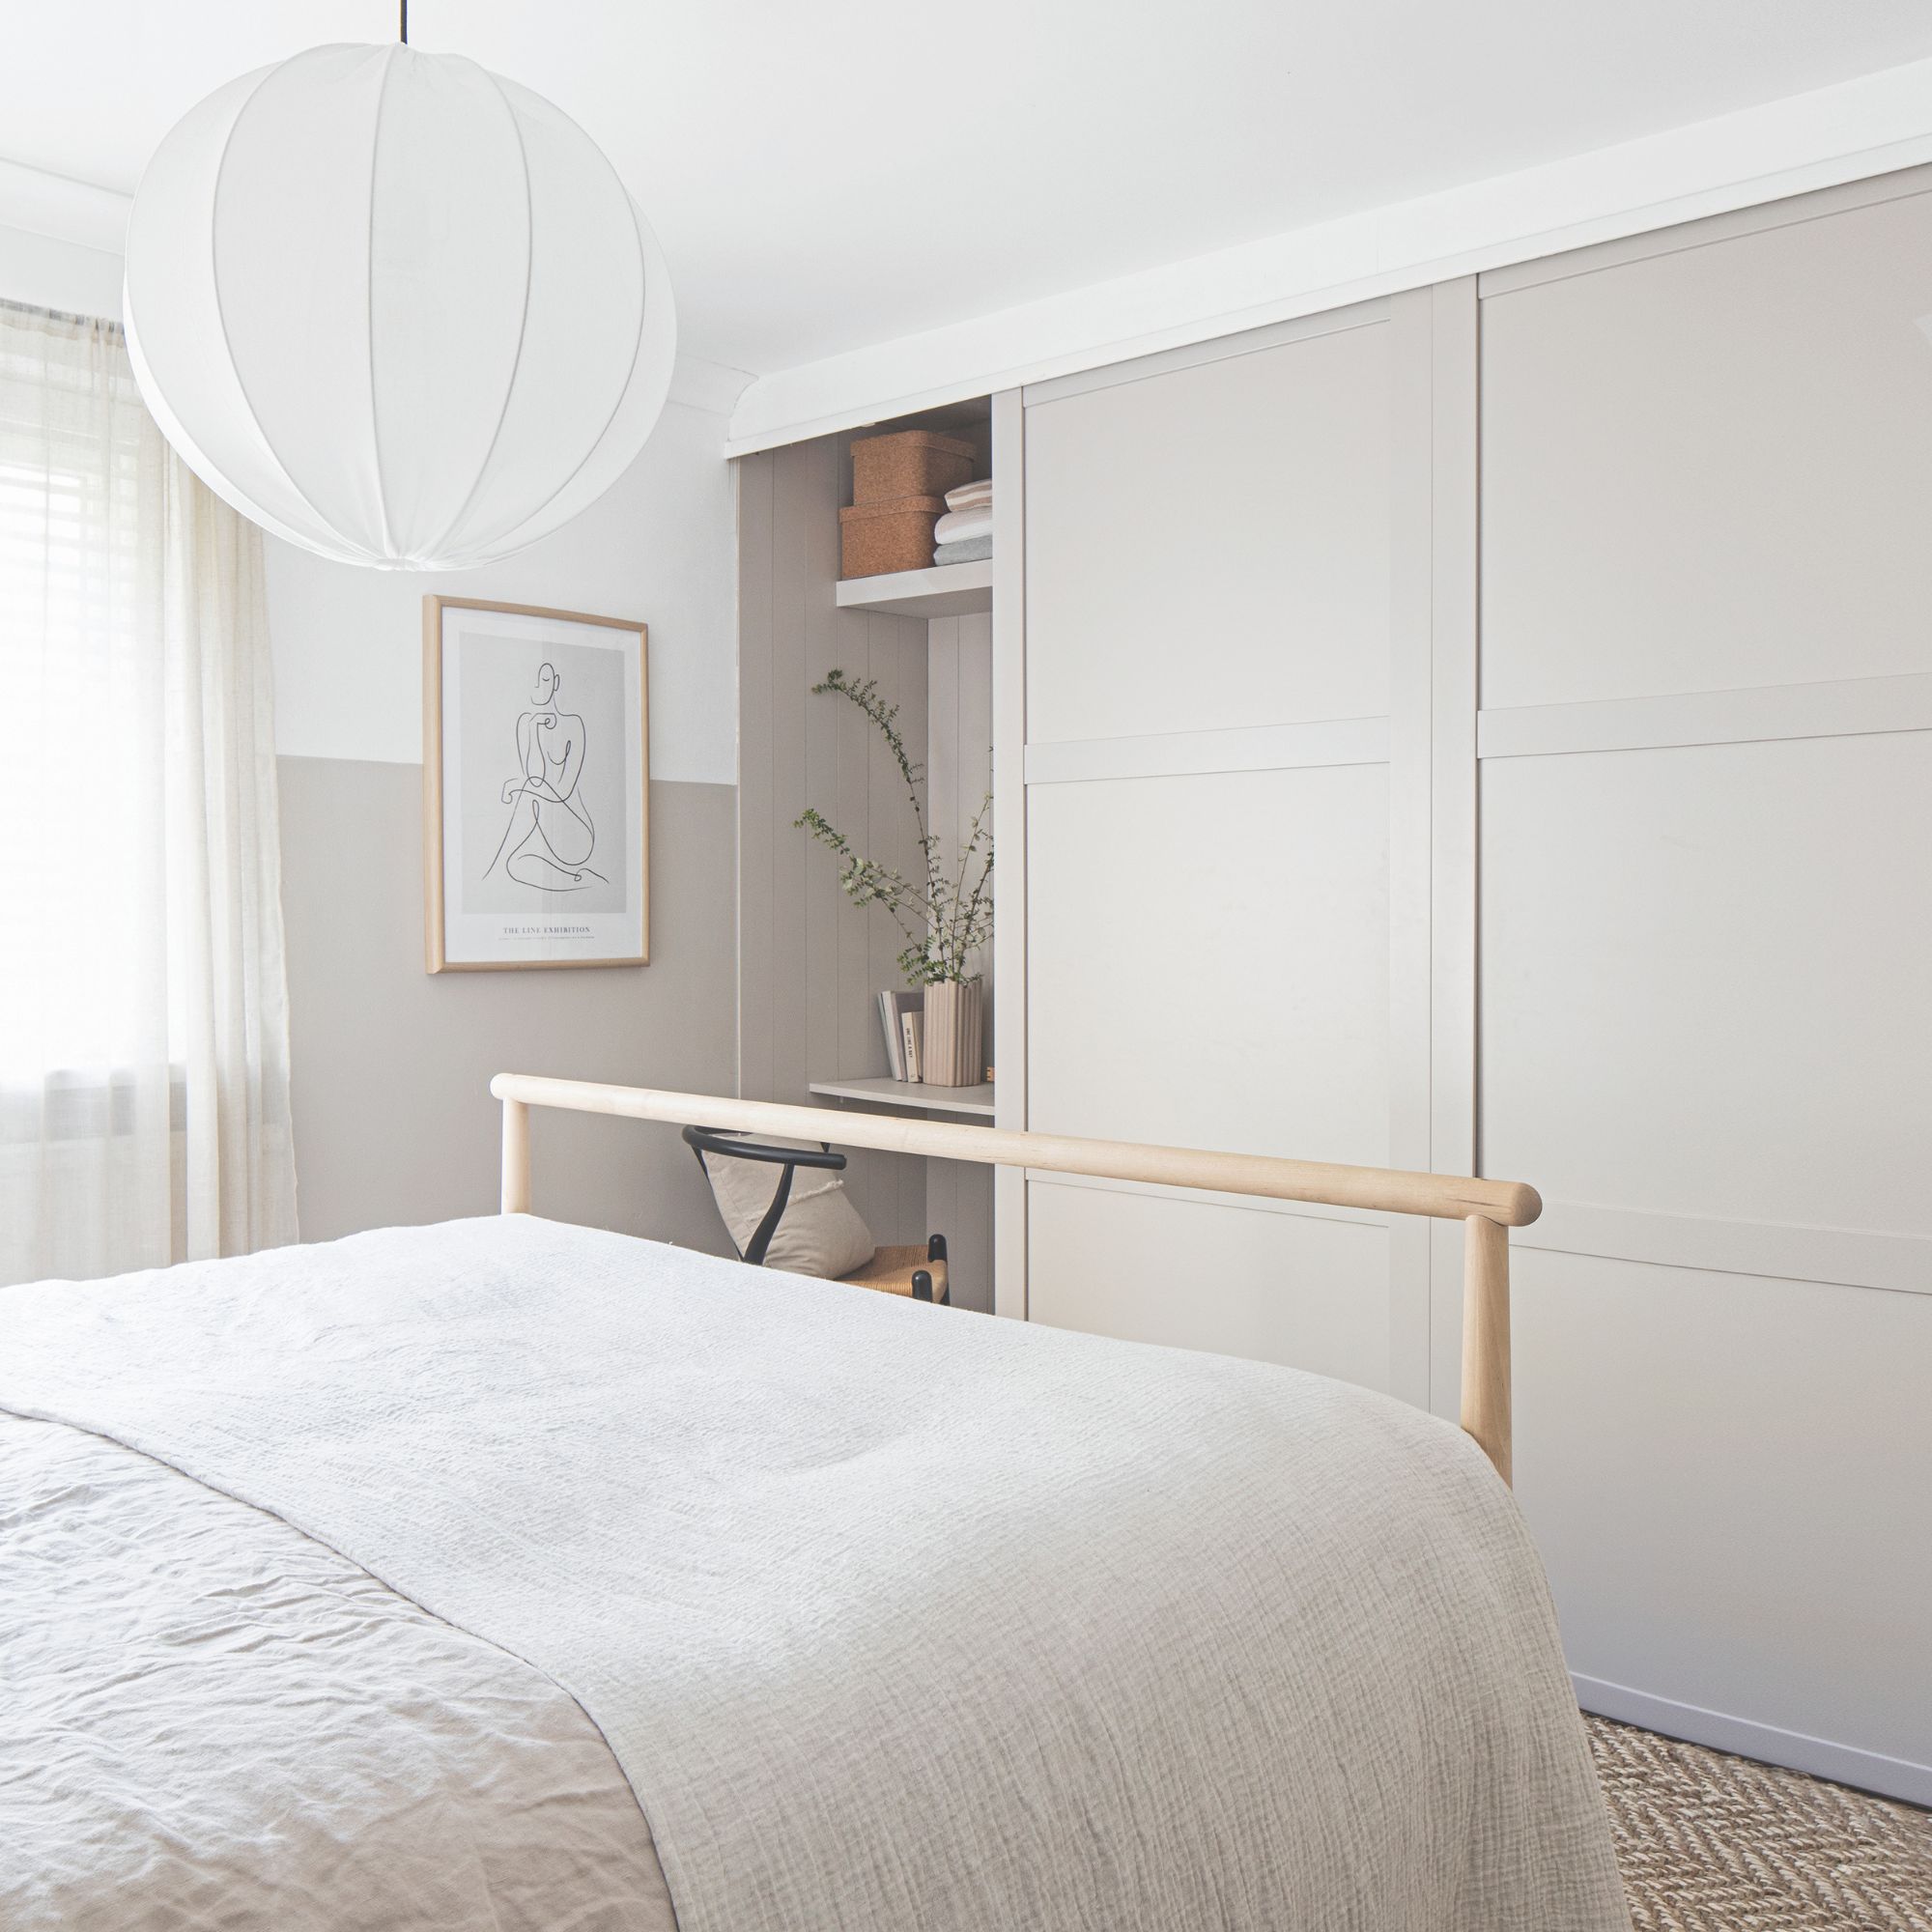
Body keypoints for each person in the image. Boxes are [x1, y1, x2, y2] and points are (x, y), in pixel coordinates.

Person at [484, 662, 604, 890]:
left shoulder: (573, 725)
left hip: (574, 831)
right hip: (541, 826)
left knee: (529, 789)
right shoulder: (524, 724)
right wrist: (533, 732)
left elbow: (562, 790)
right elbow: (535, 776)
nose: (539, 687)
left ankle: (492, 870)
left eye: (546, 679)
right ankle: (578, 879)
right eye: (534, 682)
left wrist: (520, 787)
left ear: (556, 683)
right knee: (515, 865)